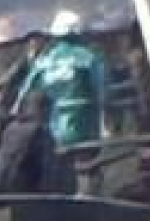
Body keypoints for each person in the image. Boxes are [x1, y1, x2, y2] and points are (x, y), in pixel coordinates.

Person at [11, 10, 111, 172]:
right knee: (87, 165)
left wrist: (18, 112)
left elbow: (25, 92)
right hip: (84, 124)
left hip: (52, 126)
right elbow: (102, 89)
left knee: (59, 166)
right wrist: (105, 118)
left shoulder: (44, 60)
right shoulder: (89, 57)